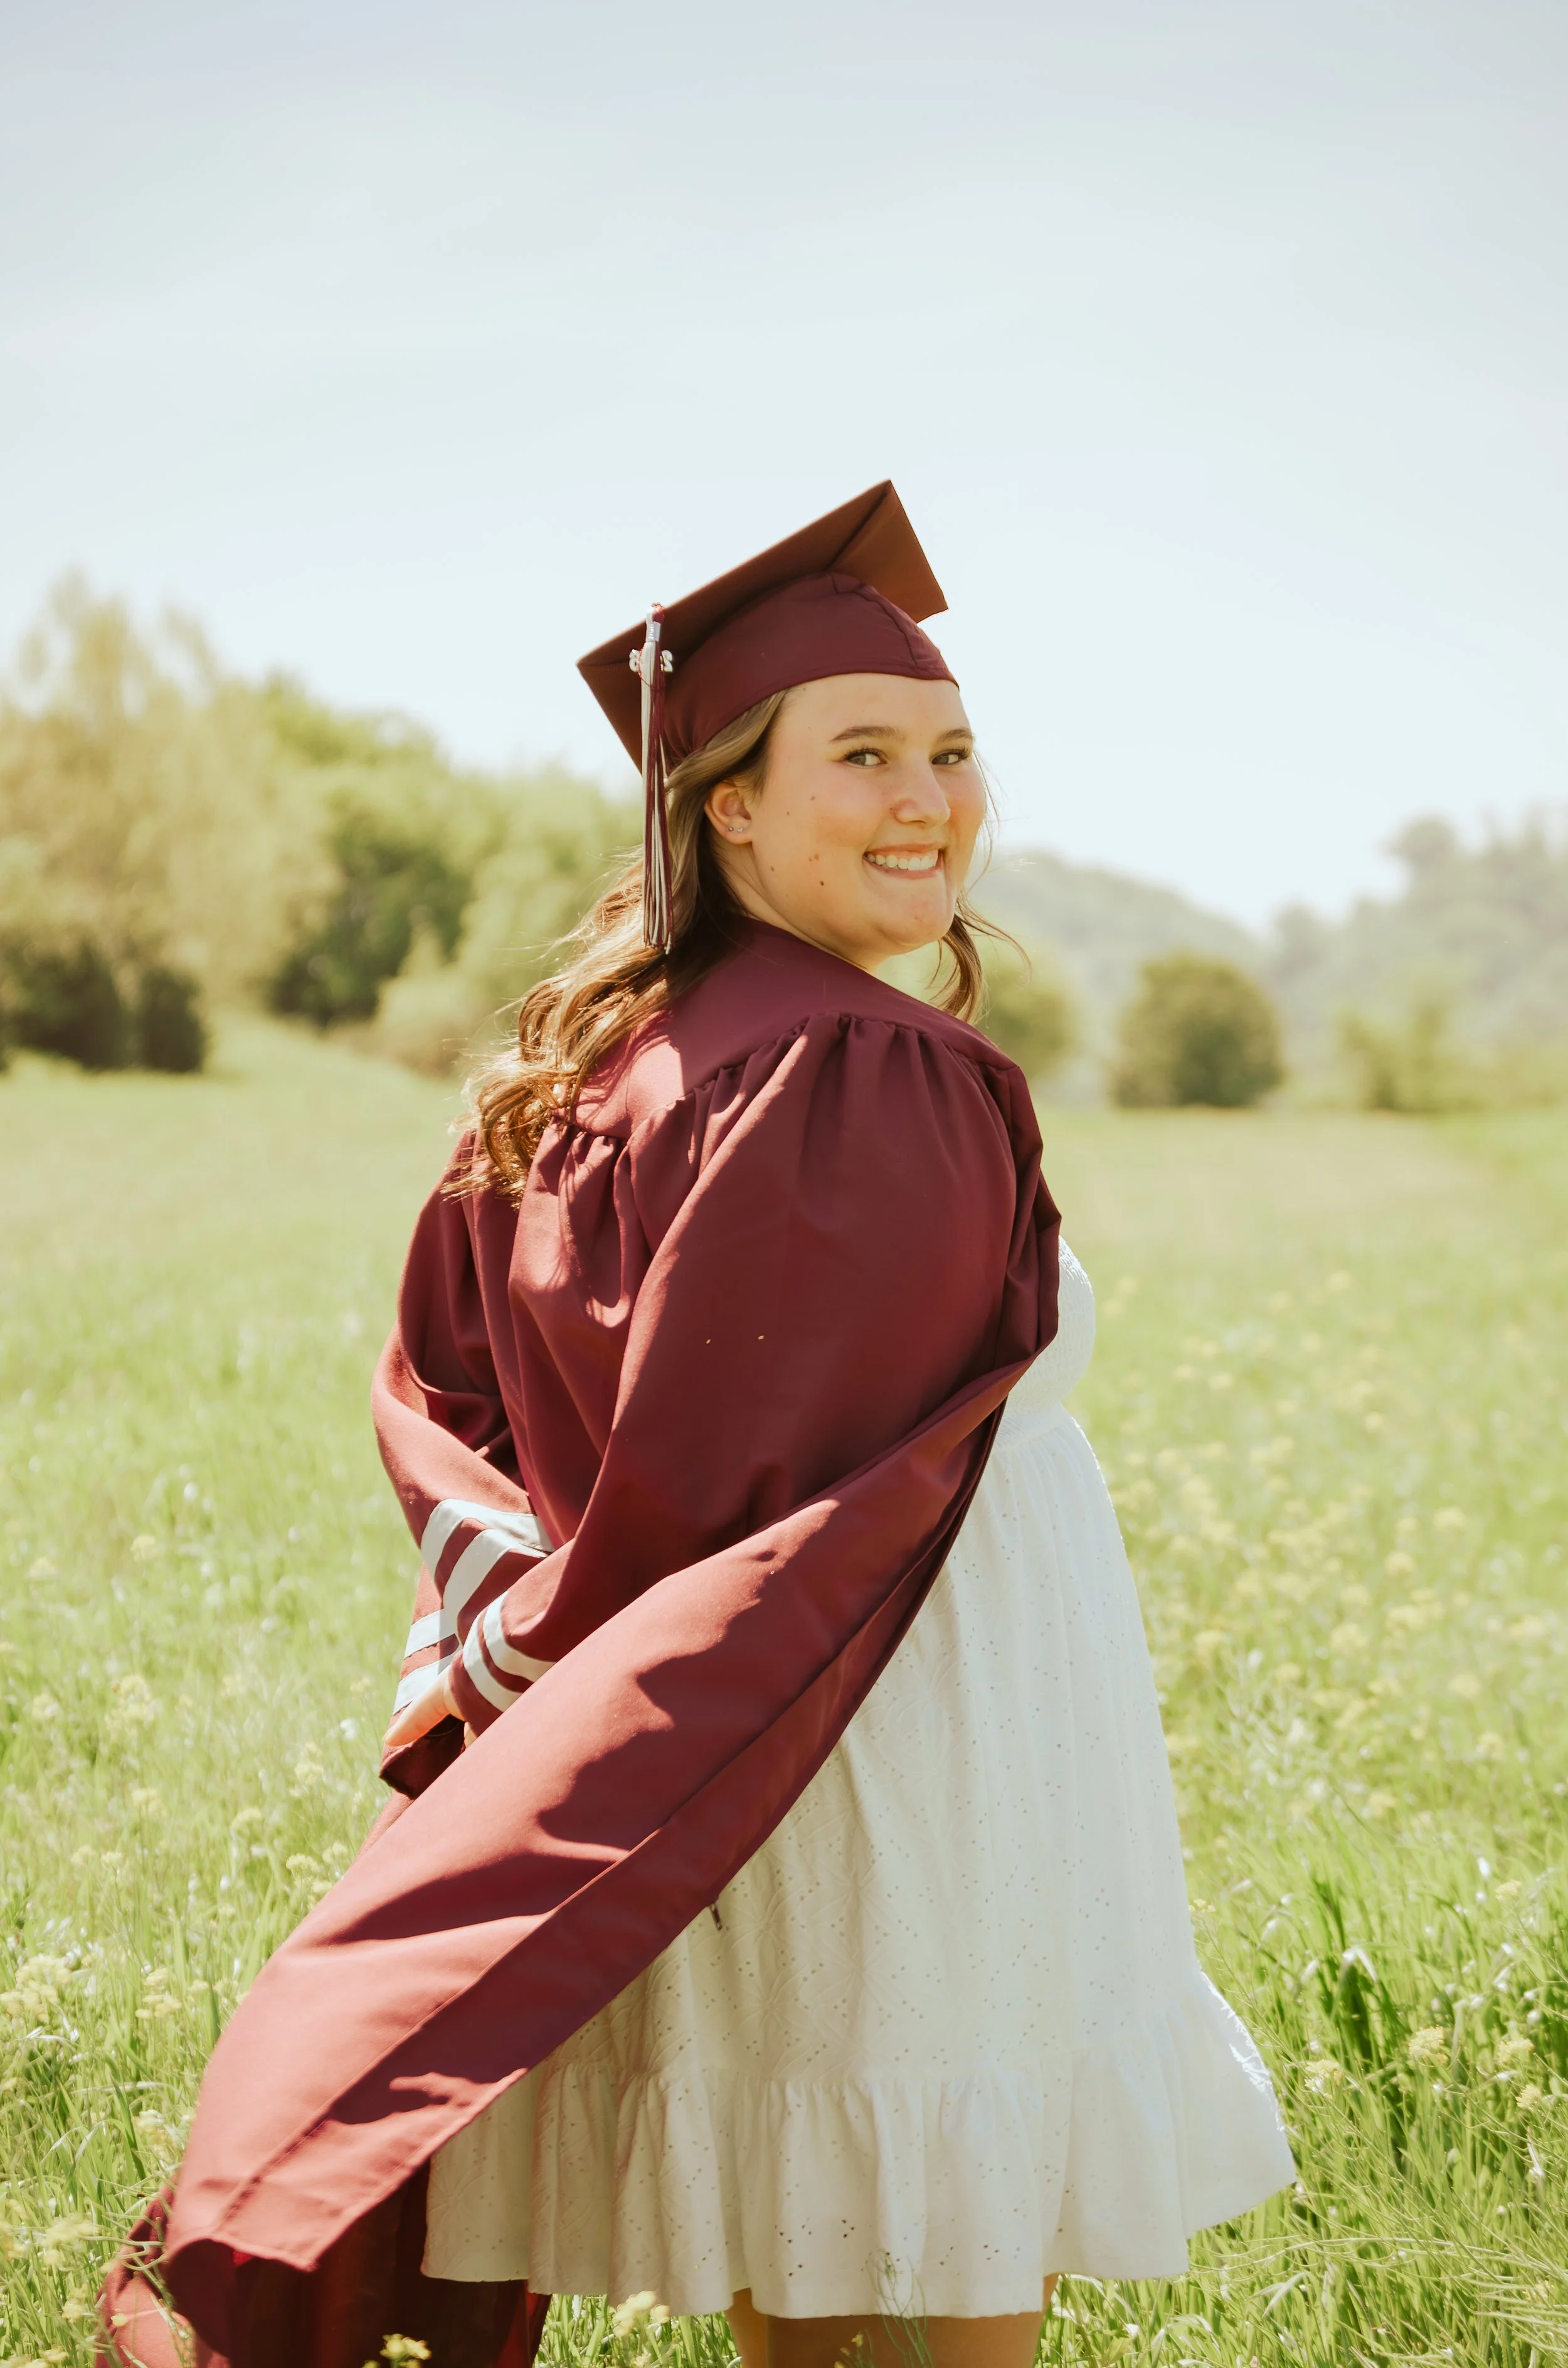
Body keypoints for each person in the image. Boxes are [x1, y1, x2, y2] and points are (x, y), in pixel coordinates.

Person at [102, 484, 1292, 2368]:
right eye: (862, 754)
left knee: (811, 2218)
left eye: (951, 751)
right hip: (895, 1715)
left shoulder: (598, 1068)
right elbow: (790, 1489)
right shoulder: (861, 1064)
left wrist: (542, 1658)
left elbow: (457, 1401)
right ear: (727, 803)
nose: (929, 798)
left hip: (724, 1735)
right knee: (941, 2193)